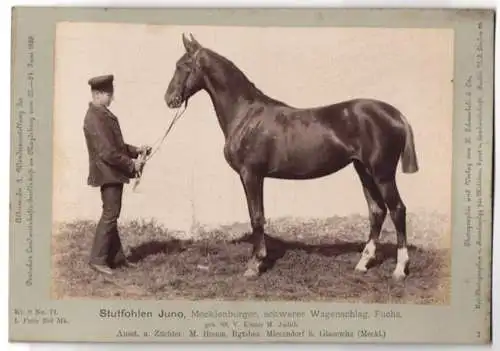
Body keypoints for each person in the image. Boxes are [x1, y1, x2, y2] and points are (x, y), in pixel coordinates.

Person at [83, 74, 151, 275]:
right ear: (98, 94)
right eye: (109, 94)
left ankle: (116, 258)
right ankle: (97, 259)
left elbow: (117, 146)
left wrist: (137, 150)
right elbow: (107, 152)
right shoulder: (94, 117)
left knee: (112, 212)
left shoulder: (102, 114)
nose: (112, 98)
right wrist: (132, 165)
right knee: (111, 214)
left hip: (111, 172)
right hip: (108, 173)